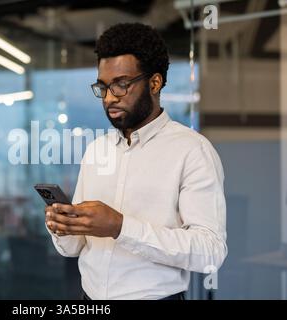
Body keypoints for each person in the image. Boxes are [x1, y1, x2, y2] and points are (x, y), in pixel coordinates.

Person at [45, 22, 227, 300]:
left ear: (154, 83)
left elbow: (210, 252)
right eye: (102, 87)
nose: (108, 98)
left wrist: (120, 227)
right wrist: (63, 228)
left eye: (121, 85)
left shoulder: (192, 151)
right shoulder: (96, 150)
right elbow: (73, 248)